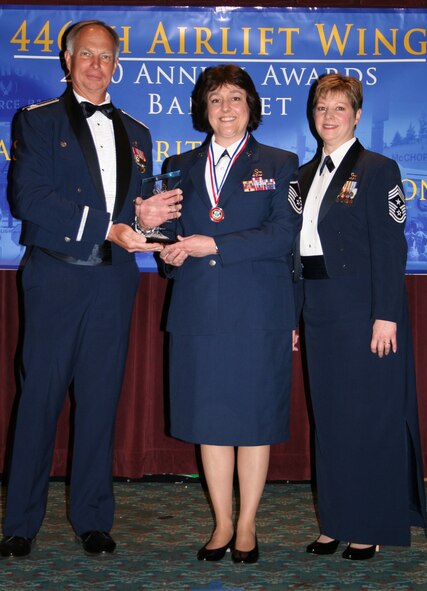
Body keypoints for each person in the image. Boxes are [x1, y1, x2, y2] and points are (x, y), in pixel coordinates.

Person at [0, 20, 182, 559]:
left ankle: (93, 517)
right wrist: (109, 225)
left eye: (106, 56)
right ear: (67, 58)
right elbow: (29, 199)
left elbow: (135, 212)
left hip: (112, 281)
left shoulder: (138, 132)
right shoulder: (36, 121)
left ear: (117, 63)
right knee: (39, 400)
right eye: (87, 55)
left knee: (101, 401)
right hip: (56, 275)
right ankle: (20, 523)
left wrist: (146, 217)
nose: (96, 65)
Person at [159, 65, 302, 564]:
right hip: (198, 309)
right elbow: (172, 235)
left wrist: (212, 245)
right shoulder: (177, 165)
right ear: (203, 109)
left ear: (251, 107)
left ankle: (248, 525)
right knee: (212, 421)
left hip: (260, 308)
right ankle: (221, 523)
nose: (225, 108)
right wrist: (169, 252)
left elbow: (285, 234)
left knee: (254, 421)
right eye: (215, 99)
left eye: (236, 99)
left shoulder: (283, 163)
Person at [296, 73, 427, 560]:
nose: (328, 117)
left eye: (338, 109)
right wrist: (295, 316)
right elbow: (298, 254)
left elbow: (392, 247)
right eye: (321, 108)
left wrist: (386, 315)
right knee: (330, 420)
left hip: (366, 313)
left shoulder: (379, 168)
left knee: (368, 419)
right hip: (319, 311)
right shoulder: (305, 177)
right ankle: (335, 520)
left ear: (356, 115)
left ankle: (367, 524)